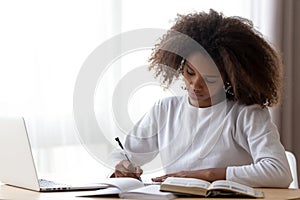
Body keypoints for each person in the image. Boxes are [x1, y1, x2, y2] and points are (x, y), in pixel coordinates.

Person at [111, 9, 292, 188]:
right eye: (190, 73)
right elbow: (125, 155)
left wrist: (209, 175)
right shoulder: (165, 110)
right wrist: (124, 166)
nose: (195, 85)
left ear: (229, 78)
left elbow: (279, 172)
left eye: (210, 79)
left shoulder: (246, 114)